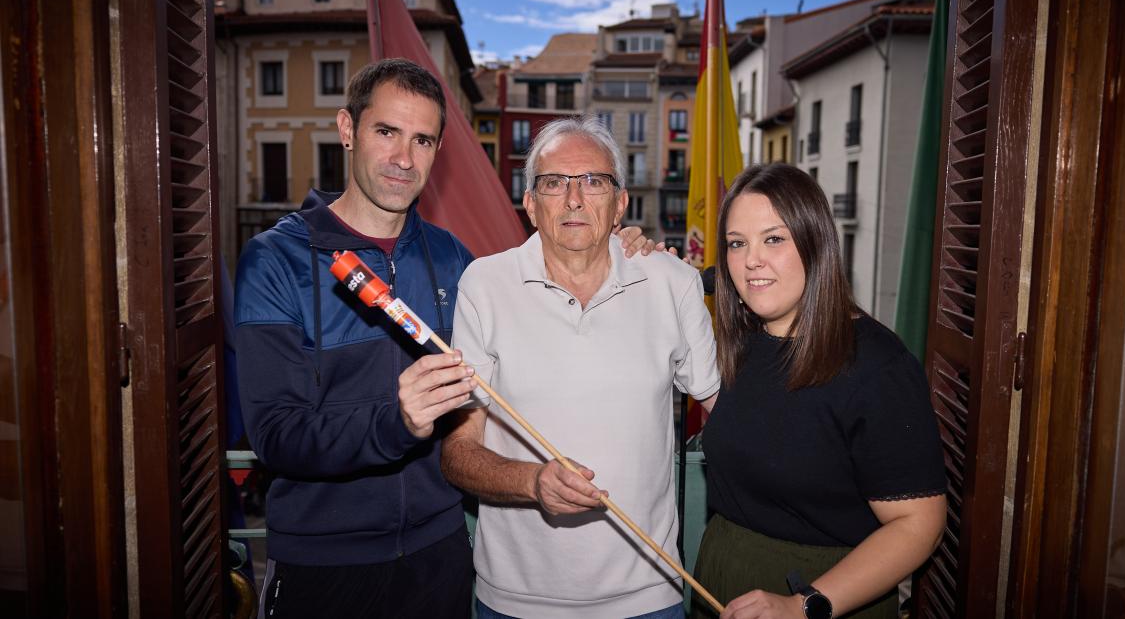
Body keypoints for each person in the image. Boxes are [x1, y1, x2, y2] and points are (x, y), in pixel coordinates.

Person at [235, 60, 660, 618]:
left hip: (440, 556)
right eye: (386, 132)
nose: (403, 158)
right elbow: (276, 436)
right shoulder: (275, 260)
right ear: (347, 129)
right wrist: (398, 421)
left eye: (423, 140)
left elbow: (542, 312)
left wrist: (617, 249)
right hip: (323, 563)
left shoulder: (456, 260)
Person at [441, 116, 720, 619]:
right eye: (553, 183)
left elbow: (730, 412)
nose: (573, 199)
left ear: (620, 204)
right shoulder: (483, 285)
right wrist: (532, 481)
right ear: (530, 205)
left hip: (648, 597)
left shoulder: (672, 281)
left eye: (592, 181)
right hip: (513, 601)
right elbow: (458, 453)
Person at [693, 163, 947, 619]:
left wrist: (803, 604)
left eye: (774, 238)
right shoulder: (745, 344)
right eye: (737, 243)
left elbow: (919, 526)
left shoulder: (877, 366)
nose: (752, 260)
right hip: (721, 585)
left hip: (828, 600)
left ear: (815, 243)